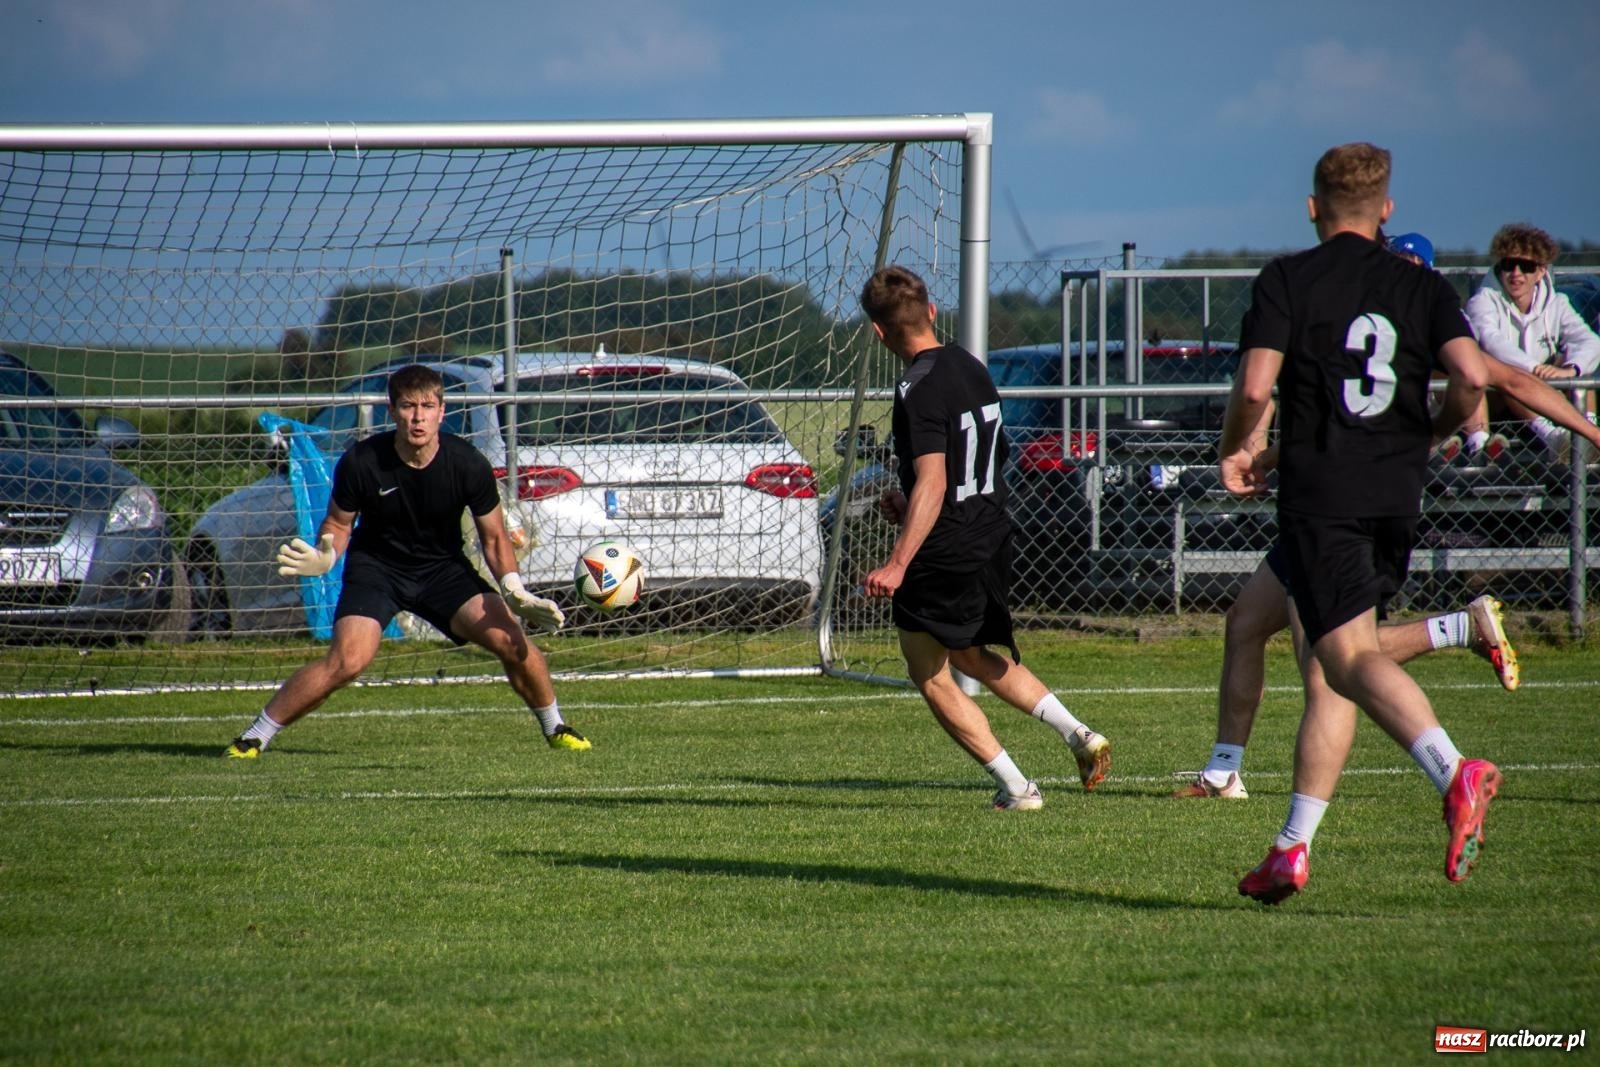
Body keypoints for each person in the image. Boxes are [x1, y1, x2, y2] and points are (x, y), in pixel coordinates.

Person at [1178, 237, 1600, 800]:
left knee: (1331, 664)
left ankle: (1439, 771)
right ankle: (1223, 770)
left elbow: (1509, 381)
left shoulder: (1411, 319)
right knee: (1248, 624)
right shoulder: (1370, 319)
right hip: (1327, 503)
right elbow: (1322, 421)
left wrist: (1593, 433)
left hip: (1346, 510)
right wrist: (1265, 461)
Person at [1218, 143, 1500, 904]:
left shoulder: (1288, 278)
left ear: (1313, 208)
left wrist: (1237, 447)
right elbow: (1473, 377)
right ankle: (1290, 849)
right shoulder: (1421, 283)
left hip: (1324, 496)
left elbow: (1254, 385)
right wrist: (1431, 429)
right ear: (1386, 210)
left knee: (1344, 660)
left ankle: (1454, 769)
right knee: (1334, 669)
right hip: (1396, 496)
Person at [224, 364, 590, 758]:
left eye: (427, 406)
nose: (418, 417)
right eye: (408, 406)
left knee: (512, 640)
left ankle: (557, 727)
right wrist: (326, 553)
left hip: (443, 572)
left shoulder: (467, 463)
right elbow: (338, 522)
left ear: (442, 411)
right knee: (348, 661)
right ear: (392, 410)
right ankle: (255, 736)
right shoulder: (363, 461)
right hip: (376, 571)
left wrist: (514, 587)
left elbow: (495, 536)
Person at [859, 265, 1110, 810]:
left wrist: (900, 560)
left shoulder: (916, 388)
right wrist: (909, 506)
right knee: (971, 656)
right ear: (930, 311)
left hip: (943, 549)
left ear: (879, 332)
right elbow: (983, 462)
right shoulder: (971, 366)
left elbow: (934, 477)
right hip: (992, 533)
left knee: (928, 673)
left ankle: (1017, 787)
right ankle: (1078, 733)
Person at [1459, 223, 1600, 458]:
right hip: (1497, 398)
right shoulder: (1483, 301)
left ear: (1541, 271)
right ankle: (1555, 440)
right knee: (1510, 375)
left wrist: (1570, 370)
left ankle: (1590, 435)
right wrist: (1533, 370)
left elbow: (1590, 342)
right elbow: (1492, 342)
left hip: (1543, 393)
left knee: (1578, 367)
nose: (1516, 274)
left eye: (1526, 266)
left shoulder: (1558, 303)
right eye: (1508, 265)